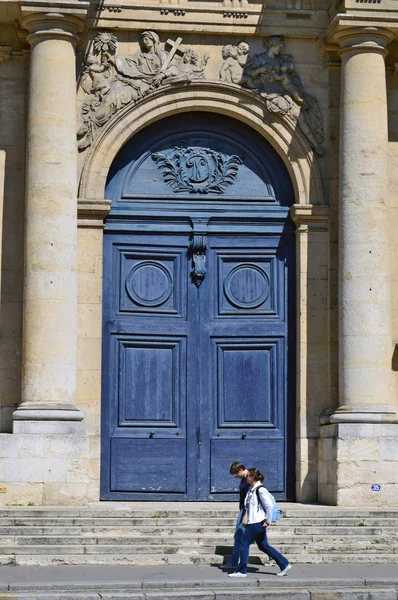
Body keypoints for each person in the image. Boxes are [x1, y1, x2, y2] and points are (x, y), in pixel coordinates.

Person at [228, 467, 291, 578]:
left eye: (248, 476)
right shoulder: (252, 489)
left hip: (257, 522)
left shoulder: (260, 490)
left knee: (243, 544)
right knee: (263, 546)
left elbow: (269, 506)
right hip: (254, 521)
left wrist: (268, 520)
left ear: (252, 477)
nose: (246, 477)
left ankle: (242, 571)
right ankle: (284, 564)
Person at [221, 461, 251, 570]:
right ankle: (279, 561)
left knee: (239, 536)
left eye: (236, 473)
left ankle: (234, 562)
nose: (235, 476)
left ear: (241, 469)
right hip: (244, 509)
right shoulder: (245, 478)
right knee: (262, 542)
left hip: (247, 511)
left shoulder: (249, 478)